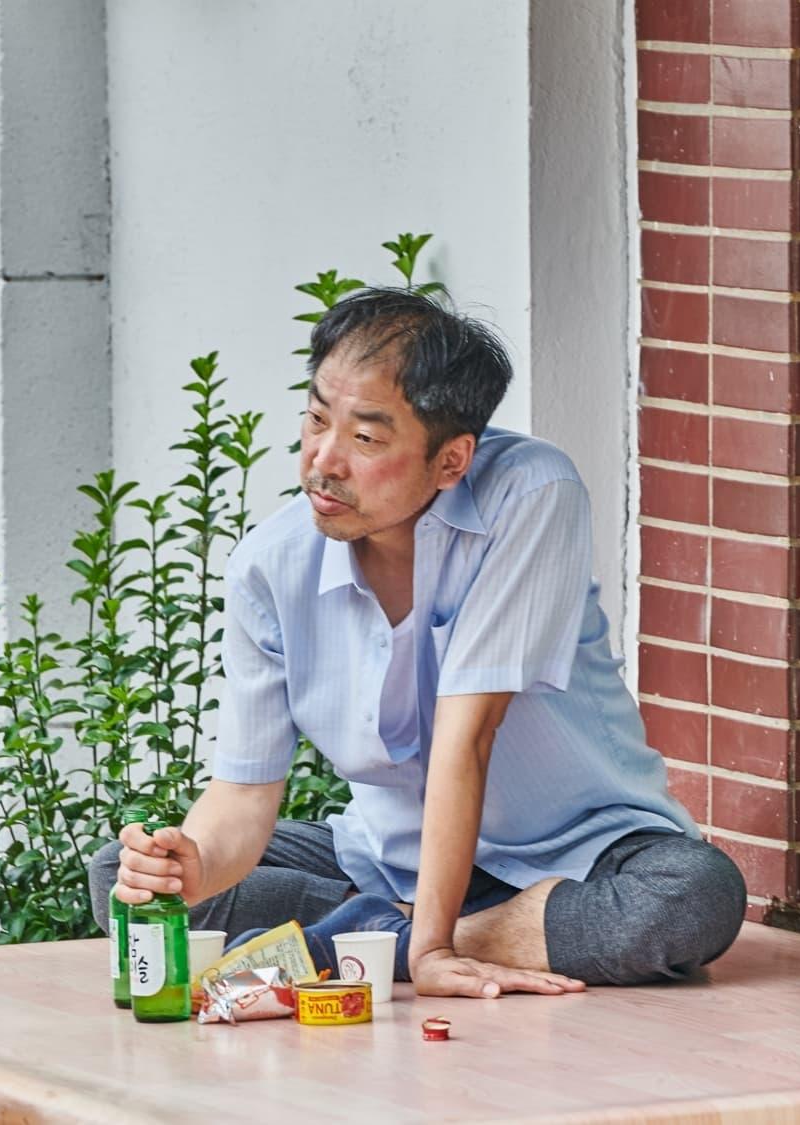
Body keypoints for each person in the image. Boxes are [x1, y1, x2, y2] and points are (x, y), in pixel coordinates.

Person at [90, 288, 746, 999]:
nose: (323, 461)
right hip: (387, 857)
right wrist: (190, 862)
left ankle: (376, 937)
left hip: (579, 854)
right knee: (118, 883)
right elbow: (244, 796)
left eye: (366, 439)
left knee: (695, 896)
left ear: (451, 459)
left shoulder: (530, 496)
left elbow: (469, 738)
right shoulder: (271, 564)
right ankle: (390, 928)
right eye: (315, 419)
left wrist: (432, 948)